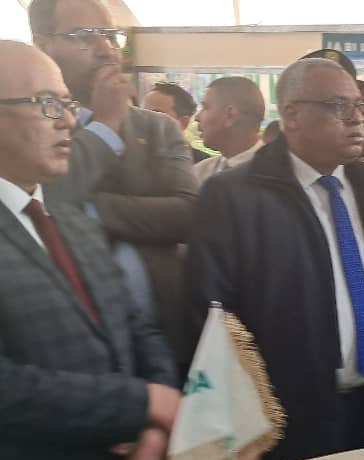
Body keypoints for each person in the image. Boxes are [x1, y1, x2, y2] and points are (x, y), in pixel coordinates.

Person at [0, 40, 181, 460]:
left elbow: (137, 327)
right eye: (46, 104)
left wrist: (155, 421)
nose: (68, 122)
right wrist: (144, 402)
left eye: (67, 103)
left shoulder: (72, 220)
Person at [184, 57, 364, 460]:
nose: (357, 119)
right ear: (291, 115)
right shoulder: (234, 197)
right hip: (288, 419)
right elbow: (211, 317)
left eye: (361, 106)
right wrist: (238, 421)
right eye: (339, 106)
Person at [30, 0, 199, 364]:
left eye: (110, 35)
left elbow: (188, 213)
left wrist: (87, 210)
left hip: (164, 333)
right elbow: (44, 197)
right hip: (66, 349)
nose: (106, 49)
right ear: (43, 45)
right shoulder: (27, 125)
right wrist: (105, 126)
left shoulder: (157, 127)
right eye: (84, 36)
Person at [193, 76, 265, 185]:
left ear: (230, 115)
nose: (197, 117)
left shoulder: (279, 175)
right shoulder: (199, 173)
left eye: (205, 107)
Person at [142, 80, 209, 163]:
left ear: (183, 122)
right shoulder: (132, 157)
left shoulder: (204, 165)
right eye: (142, 113)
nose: (144, 120)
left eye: (156, 115)